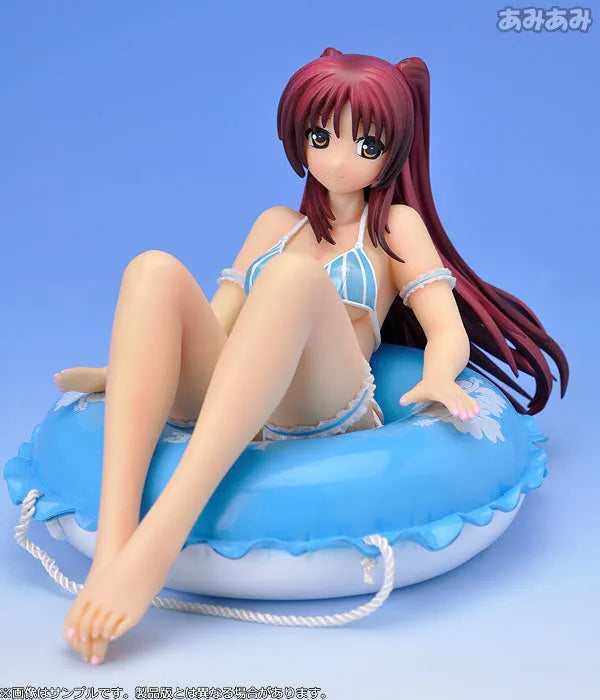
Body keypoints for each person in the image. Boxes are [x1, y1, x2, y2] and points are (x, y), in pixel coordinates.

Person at [53, 49, 568, 665]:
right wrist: (136, 369)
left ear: (392, 150)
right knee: (152, 269)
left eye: (365, 144)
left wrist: (437, 377)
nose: (338, 160)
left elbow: (447, 330)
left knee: (293, 279)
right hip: (237, 392)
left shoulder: (393, 228)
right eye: (321, 138)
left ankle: (156, 544)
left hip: (326, 403)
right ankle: (112, 549)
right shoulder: (276, 225)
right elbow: (215, 321)